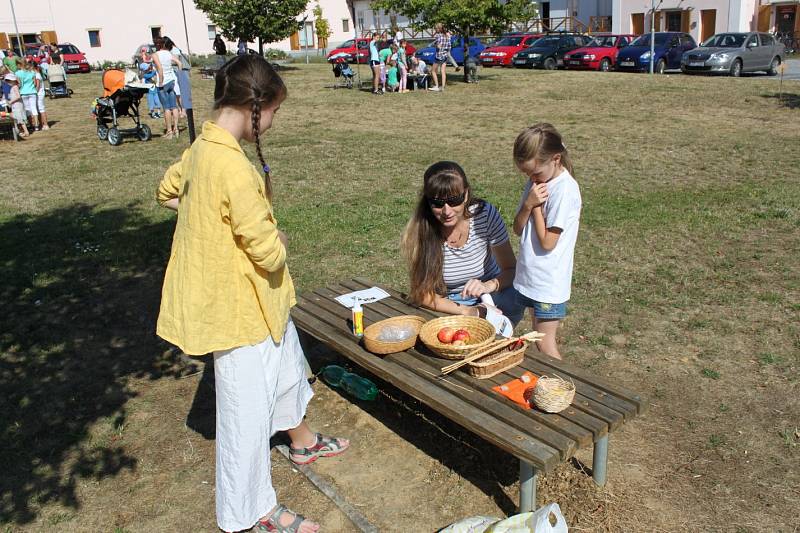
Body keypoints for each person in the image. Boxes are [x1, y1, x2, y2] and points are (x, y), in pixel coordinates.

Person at [156, 54, 349, 533]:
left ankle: (301, 441)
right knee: (244, 419)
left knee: (286, 373)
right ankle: (251, 512)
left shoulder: (202, 148)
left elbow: (168, 190)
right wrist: (279, 242)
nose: (275, 121)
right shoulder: (233, 168)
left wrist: (204, 216)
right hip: (238, 311)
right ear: (256, 107)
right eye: (276, 112)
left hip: (265, 304)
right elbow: (267, 253)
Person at [401, 161, 525, 323]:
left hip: (493, 292)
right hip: (452, 302)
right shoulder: (422, 228)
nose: (447, 211)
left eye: (454, 201)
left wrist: (487, 286)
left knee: (515, 297)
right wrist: (469, 311)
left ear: (466, 194)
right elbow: (422, 294)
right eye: (437, 203)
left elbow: (511, 269)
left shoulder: (485, 215)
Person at [512, 124, 582, 360]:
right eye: (527, 174)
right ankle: (551, 388)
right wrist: (528, 205)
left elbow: (548, 242)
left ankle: (564, 389)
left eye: (536, 173)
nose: (532, 178)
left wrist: (536, 207)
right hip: (532, 276)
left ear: (556, 159)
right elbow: (517, 228)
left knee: (545, 345)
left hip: (548, 283)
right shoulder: (537, 184)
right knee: (536, 336)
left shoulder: (565, 191)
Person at [152, 37, 181, 139]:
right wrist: (180, 76)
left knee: (166, 108)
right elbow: (179, 63)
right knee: (174, 106)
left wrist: (160, 81)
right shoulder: (168, 53)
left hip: (163, 83)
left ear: (157, 45)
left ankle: (169, 131)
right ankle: (176, 129)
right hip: (171, 81)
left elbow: (159, 67)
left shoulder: (155, 55)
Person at [138, 47, 162, 118]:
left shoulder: (151, 71)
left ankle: (158, 112)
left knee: (157, 101)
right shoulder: (145, 75)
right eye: (148, 68)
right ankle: (153, 113)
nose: (150, 68)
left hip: (155, 90)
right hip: (149, 92)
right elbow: (150, 75)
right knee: (151, 103)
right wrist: (154, 72)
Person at [15, 60, 38, 131]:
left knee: (27, 109)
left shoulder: (17, 73)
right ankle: (36, 125)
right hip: (32, 92)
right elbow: (34, 83)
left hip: (23, 92)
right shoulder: (32, 72)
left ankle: (31, 124)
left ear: (19, 65)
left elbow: (19, 84)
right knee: (34, 108)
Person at [4, 73, 29, 138]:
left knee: (20, 118)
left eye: (9, 81)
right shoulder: (13, 87)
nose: (8, 83)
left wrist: (11, 102)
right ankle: (22, 131)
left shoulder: (15, 87)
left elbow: (18, 96)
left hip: (17, 105)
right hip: (15, 105)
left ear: (13, 81)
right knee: (18, 118)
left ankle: (26, 131)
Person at [429, 23, 450, 92]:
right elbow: (449, 46)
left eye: (435, 28)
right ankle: (443, 87)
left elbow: (438, 46)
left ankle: (436, 86)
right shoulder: (447, 35)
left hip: (439, 56)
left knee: (433, 71)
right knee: (443, 71)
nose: (435, 30)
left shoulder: (438, 35)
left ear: (439, 29)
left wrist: (435, 45)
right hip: (445, 55)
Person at [32, 63, 48, 130]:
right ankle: (41, 124)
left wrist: (35, 92)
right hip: (38, 93)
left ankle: (46, 125)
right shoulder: (35, 74)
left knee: (41, 109)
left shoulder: (37, 74)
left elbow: (38, 86)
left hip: (39, 94)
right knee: (38, 109)